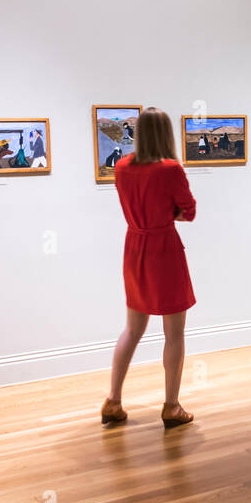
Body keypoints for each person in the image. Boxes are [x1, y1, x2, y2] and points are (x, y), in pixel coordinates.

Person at [102, 108, 198, 430]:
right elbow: (189, 211)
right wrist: (168, 212)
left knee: (132, 328)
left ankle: (113, 400)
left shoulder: (122, 166)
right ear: (166, 134)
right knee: (174, 333)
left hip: (135, 247)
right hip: (164, 249)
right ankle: (171, 405)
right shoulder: (170, 169)